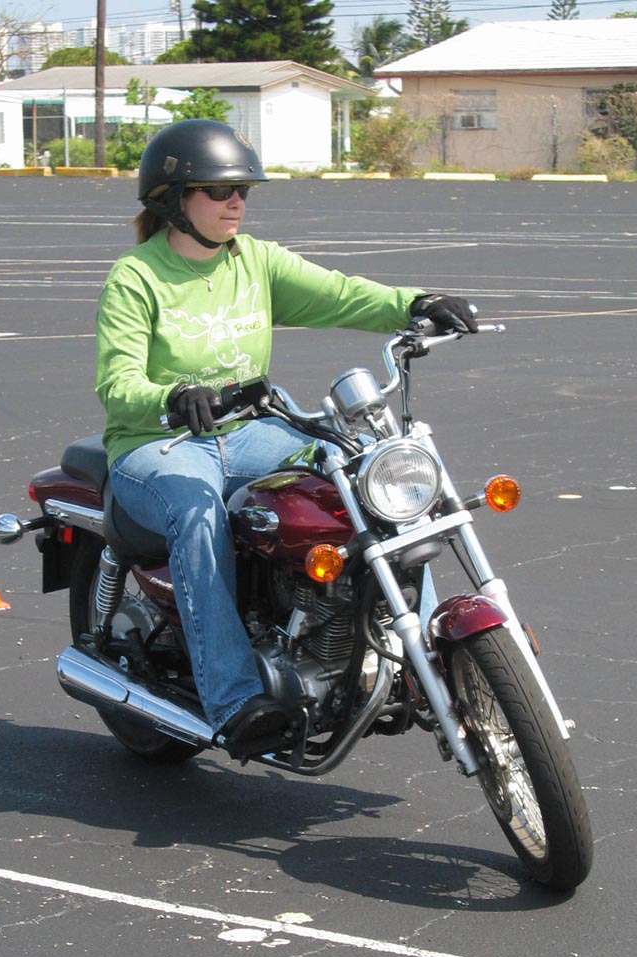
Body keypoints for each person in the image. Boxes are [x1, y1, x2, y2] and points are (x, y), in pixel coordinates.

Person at [95, 118, 478, 758]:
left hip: (249, 433)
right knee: (197, 514)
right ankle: (234, 697)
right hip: (158, 446)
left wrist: (417, 302)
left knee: (365, 470)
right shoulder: (136, 276)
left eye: (242, 190)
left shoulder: (256, 261)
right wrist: (172, 396)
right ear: (174, 199)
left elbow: (342, 295)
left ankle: (417, 655)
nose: (236, 203)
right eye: (220, 191)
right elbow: (117, 382)